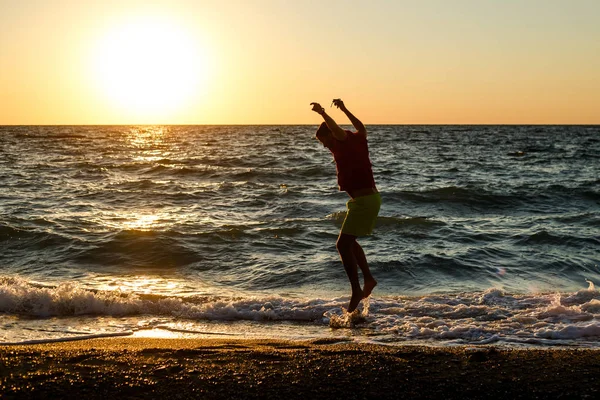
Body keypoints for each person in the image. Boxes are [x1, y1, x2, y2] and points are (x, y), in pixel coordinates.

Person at [310, 99, 381, 313]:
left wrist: (323, 113)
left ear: (332, 134)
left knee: (342, 245)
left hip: (366, 202)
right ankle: (368, 279)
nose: (325, 146)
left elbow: (336, 129)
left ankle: (357, 290)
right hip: (363, 201)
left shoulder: (343, 139)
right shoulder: (358, 138)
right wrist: (344, 109)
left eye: (325, 141)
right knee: (349, 243)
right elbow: (362, 127)